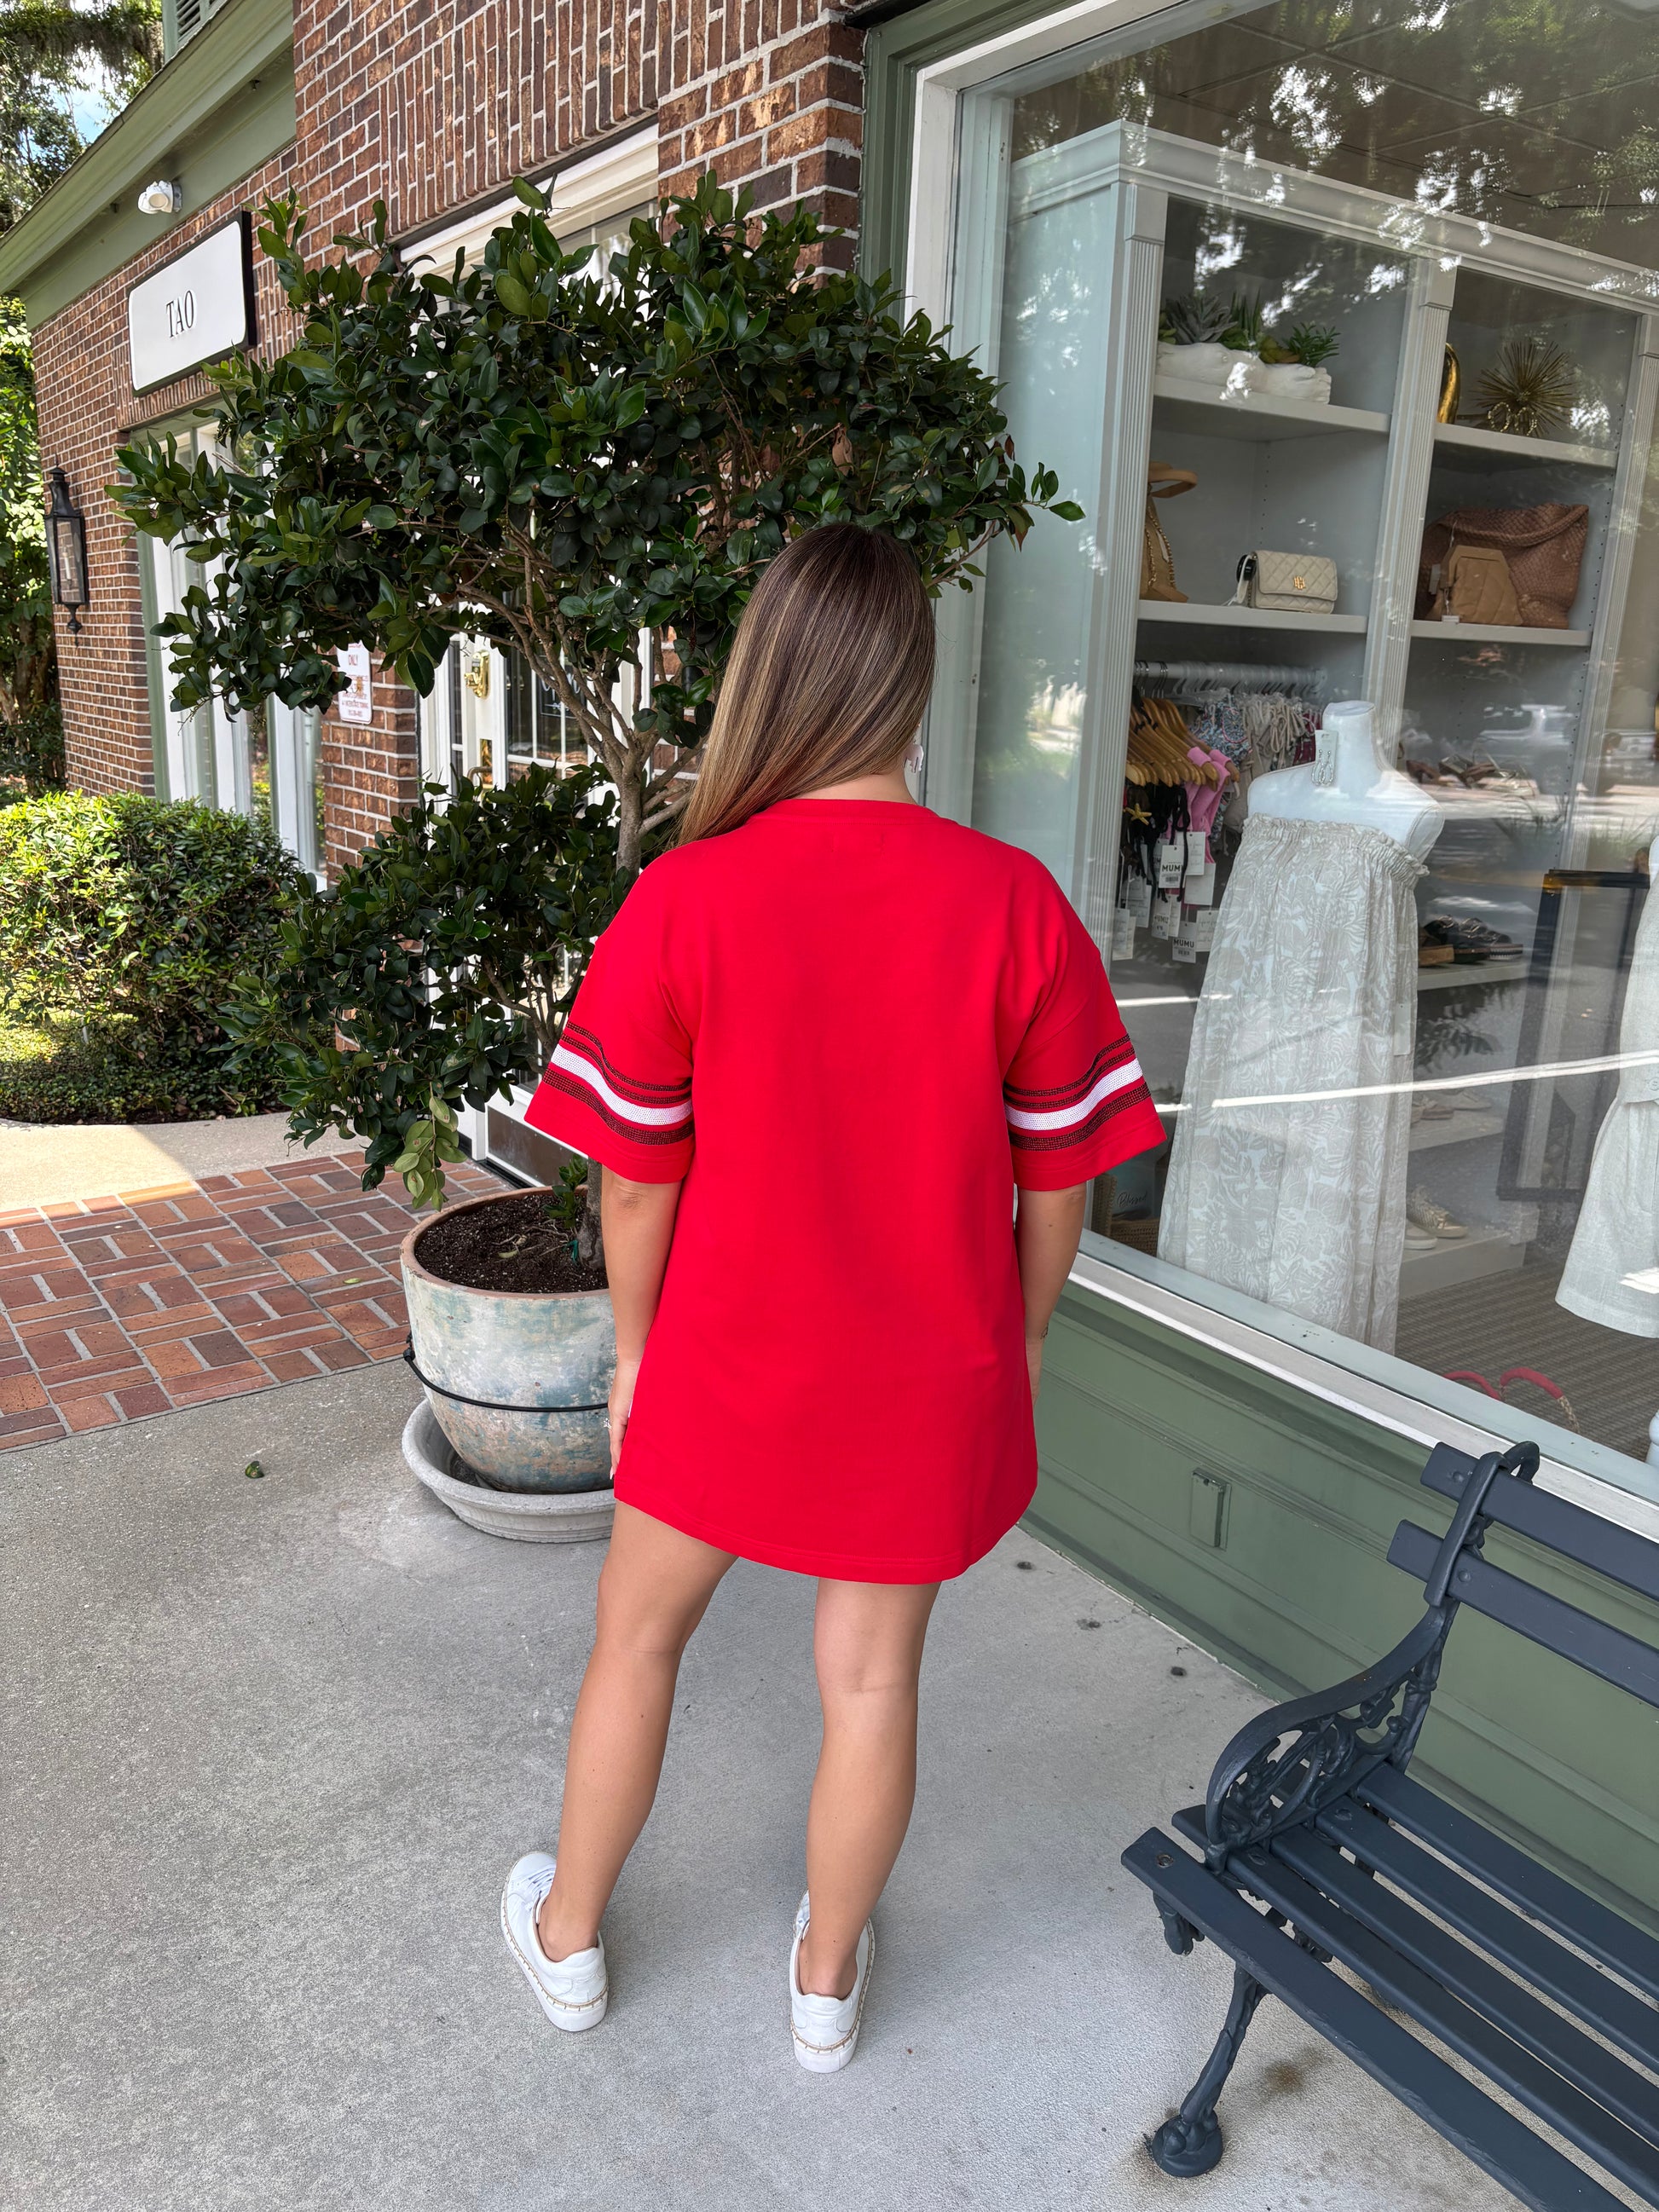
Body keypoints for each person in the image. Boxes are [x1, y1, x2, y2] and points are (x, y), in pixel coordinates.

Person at [501, 523, 1164, 2071]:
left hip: (726, 1368)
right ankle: (820, 1983)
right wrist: (1021, 1335)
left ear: (770, 678)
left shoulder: (684, 899)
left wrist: (633, 1351)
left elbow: (633, 1183)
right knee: (872, 1679)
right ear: (909, 689)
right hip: (921, 1382)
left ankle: (571, 1937)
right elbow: (1062, 1181)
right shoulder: (1012, 906)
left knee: (635, 1645)